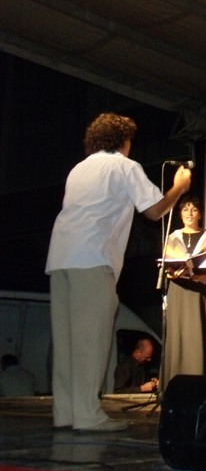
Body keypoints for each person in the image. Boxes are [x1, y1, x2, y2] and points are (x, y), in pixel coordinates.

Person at [45, 112, 191, 432]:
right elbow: (154, 211)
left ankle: (65, 413)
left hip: (60, 258)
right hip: (92, 258)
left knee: (67, 343)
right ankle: (87, 416)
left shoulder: (79, 169)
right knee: (91, 342)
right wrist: (178, 187)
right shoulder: (124, 166)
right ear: (123, 140)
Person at [161, 196, 206, 391]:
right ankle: (176, 385)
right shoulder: (172, 237)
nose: (189, 213)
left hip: (202, 290)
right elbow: (166, 267)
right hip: (179, 291)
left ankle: (204, 384)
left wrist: (195, 274)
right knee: (179, 335)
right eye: (185, 209)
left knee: (201, 335)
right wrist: (173, 272)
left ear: (200, 214)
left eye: (194, 209)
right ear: (180, 214)